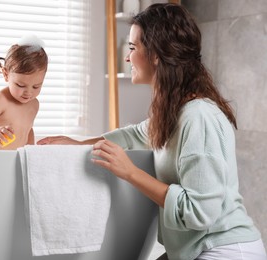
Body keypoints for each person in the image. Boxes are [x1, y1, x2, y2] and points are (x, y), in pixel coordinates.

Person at [37, 3, 267, 260]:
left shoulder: (198, 116)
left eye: (133, 48)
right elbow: (134, 135)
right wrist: (78, 143)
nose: (127, 57)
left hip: (225, 251)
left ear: (156, 54)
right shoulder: (174, 111)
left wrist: (130, 173)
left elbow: (199, 212)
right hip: (196, 249)